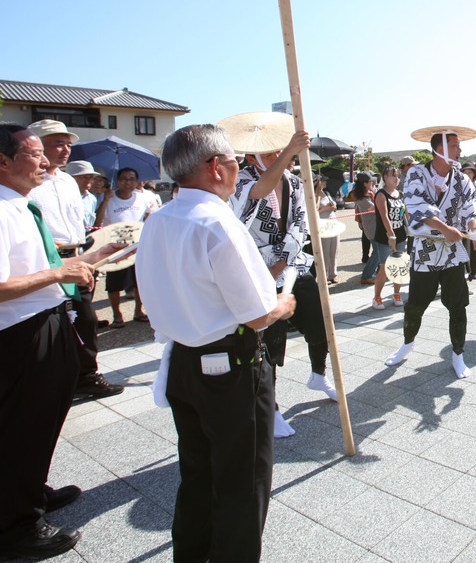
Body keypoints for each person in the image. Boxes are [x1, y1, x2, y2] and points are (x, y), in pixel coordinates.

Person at [0, 123, 126, 560]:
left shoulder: (19, 208)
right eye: (34, 153)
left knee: (42, 421)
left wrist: (91, 257)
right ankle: (16, 529)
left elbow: (37, 269)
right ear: (0, 161)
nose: (45, 161)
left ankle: (32, 492)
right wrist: (59, 273)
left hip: (46, 321)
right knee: (21, 431)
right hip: (18, 336)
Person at [135, 125, 294, 562]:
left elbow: (150, 299)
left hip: (184, 363)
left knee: (198, 472)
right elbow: (258, 313)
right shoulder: (218, 223)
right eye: (233, 161)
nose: (237, 168)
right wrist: (285, 304)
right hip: (232, 367)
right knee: (243, 481)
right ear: (214, 167)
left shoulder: (158, 220)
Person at [228, 127, 338, 441]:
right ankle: (269, 407)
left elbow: (302, 222)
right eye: (268, 154)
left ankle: (318, 374)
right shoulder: (242, 180)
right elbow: (259, 192)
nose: (277, 158)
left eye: (279, 152)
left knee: (323, 324)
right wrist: (290, 151)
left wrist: (283, 261)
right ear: (251, 157)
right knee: (269, 343)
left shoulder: (293, 181)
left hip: (291, 265)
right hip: (257, 270)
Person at [27, 120, 123, 398]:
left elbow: (76, 224)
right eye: (57, 142)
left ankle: (86, 375)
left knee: (85, 318)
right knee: (47, 323)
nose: (65, 149)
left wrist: (86, 261)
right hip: (43, 259)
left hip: (75, 255)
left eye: (68, 143)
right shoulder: (29, 181)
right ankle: (51, 378)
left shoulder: (69, 181)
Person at [385, 127, 476, 378]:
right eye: (454, 145)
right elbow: (416, 204)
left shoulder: (462, 179)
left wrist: (475, 229)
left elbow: (471, 208)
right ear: (439, 148)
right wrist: (444, 227)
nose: (459, 149)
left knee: (458, 305)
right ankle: (408, 342)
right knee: (416, 305)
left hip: (452, 251)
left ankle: (458, 354)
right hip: (425, 250)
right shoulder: (417, 173)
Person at [99, 166, 158, 326]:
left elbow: (152, 215)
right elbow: (98, 222)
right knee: (114, 283)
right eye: (124, 179)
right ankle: (117, 314)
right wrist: (104, 200)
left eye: (131, 179)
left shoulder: (143, 198)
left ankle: (139, 311)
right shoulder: (109, 199)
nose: (128, 182)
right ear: (118, 181)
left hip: (138, 246)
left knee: (140, 281)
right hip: (115, 247)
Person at [363, 165, 407, 309]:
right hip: (385, 236)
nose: (396, 178)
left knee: (399, 265)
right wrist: (391, 235)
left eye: (398, 176)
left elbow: (404, 214)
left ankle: (396, 293)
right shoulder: (381, 194)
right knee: (383, 267)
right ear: (385, 177)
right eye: (393, 175)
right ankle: (377, 297)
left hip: (401, 234)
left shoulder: (400, 194)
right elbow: (384, 216)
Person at [313, 175, 339, 282]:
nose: (324, 183)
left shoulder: (327, 193)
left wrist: (333, 206)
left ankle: (333, 273)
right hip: (323, 224)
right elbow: (314, 211)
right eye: (322, 181)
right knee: (325, 249)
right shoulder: (313, 195)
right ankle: (324, 275)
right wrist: (325, 208)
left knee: (334, 249)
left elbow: (334, 207)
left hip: (333, 222)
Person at [346, 172, 375, 266]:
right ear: (365, 184)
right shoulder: (362, 199)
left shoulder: (370, 194)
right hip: (371, 227)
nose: (373, 184)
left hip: (374, 226)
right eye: (370, 182)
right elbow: (375, 208)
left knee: (377, 252)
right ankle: (367, 274)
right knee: (378, 252)